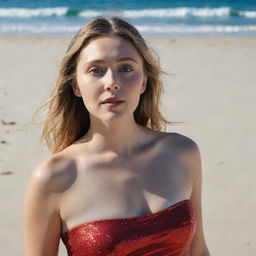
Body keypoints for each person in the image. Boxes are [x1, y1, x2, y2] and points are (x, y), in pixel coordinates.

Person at [23, 16, 210, 256]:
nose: (112, 82)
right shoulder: (54, 178)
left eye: (126, 68)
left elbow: (198, 250)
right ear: (76, 86)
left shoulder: (182, 153)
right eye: (96, 70)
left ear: (144, 81)